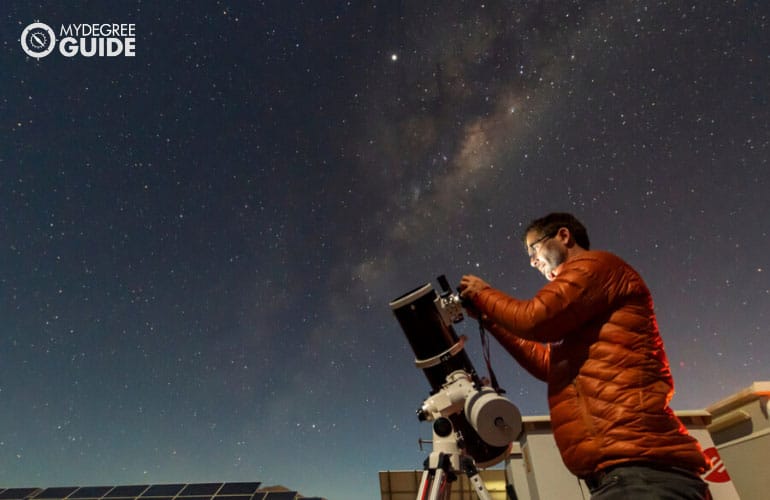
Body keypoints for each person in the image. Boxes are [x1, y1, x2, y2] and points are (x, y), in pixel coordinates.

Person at [458, 212, 711, 499]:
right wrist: (490, 319)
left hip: (643, 474)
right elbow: (548, 365)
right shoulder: (580, 301)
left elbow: (535, 320)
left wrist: (483, 294)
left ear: (563, 236)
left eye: (533, 248)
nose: (531, 260)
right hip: (624, 476)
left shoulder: (595, 267)